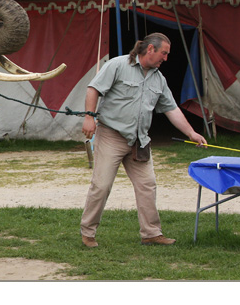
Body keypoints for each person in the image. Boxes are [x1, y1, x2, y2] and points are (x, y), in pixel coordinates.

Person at [80, 32, 207, 248]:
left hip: (140, 140)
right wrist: (89, 117)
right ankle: (88, 233)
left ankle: (151, 233)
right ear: (150, 49)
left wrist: (191, 133)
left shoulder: (159, 79)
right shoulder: (118, 65)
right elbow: (93, 89)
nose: (165, 58)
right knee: (101, 186)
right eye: (163, 53)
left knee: (147, 185)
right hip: (112, 134)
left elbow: (172, 109)